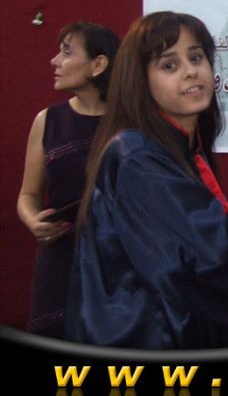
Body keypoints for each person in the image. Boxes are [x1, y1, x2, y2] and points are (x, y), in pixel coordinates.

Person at [64, 11, 228, 349]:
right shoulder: (137, 157)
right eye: (169, 65)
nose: (190, 71)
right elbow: (210, 250)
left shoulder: (179, 147)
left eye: (196, 57)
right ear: (140, 81)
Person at [17, 21, 121, 338]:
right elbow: (28, 195)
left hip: (116, 260)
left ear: (98, 64)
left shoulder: (130, 123)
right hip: (59, 259)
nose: (54, 61)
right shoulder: (47, 120)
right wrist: (33, 221)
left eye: (66, 52)